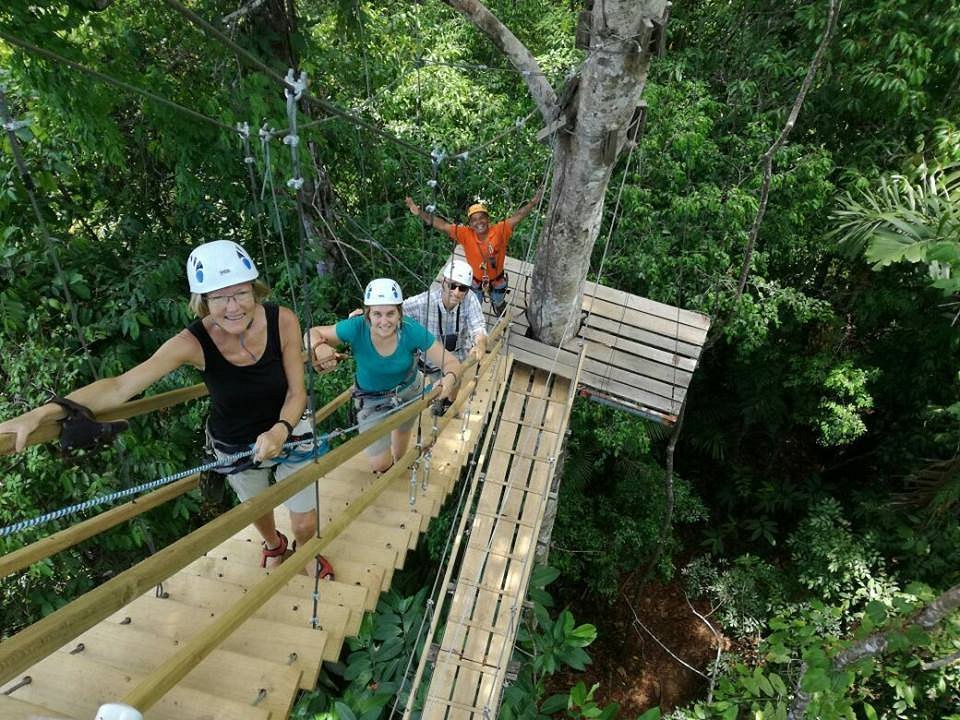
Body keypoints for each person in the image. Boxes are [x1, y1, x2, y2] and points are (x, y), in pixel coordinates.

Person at [0, 240, 339, 578]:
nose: (232, 306)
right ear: (203, 302)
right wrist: (45, 412)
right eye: (219, 297)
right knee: (256, 506)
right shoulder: (191, 343)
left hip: (290, 427)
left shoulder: (282, 322)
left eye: (240, 293)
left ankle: (305, 547)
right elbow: (121, 386)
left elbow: (297, 391)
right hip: (235, 442)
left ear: (256, 291)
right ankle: (274, 544)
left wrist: (280, 429)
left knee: (306, 520)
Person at [307, 278, 461, 474]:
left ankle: (398, 466)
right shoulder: (356, 327)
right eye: (377, 314)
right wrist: (318, 348)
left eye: (390, 313)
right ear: (367, 314)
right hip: (372, 400)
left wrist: (448, 379)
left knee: (402, 435)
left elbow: (451, 363)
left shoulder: (410, 329)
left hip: (410, 390)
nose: (384, 321)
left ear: (400, 313)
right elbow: (312, 332)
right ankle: (388, 470)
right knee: (380, 464)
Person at [405, 191, 543, 315]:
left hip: (497, 280)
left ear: (488, 219)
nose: (479, 222)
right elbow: (442, 225)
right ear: (470, 224)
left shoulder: (500, 231)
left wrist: (533, 203)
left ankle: (499, 308)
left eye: (482, 218)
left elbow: (517, 217)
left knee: (498, 300)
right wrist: (420, 213)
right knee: (474, 306)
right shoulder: (466, 234)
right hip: (475, 281)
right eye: (474, 220)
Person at [402, 259, 487, 381]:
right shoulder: (424, 302)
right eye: (452, 285)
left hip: (459, 360)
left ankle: (450, 399)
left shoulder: (470, 299)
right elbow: (397, 311)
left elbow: (478, 327)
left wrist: (480, 344)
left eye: (462, 288)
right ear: (443, 282)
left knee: (452, 392)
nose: (456, 293)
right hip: (430, 365)